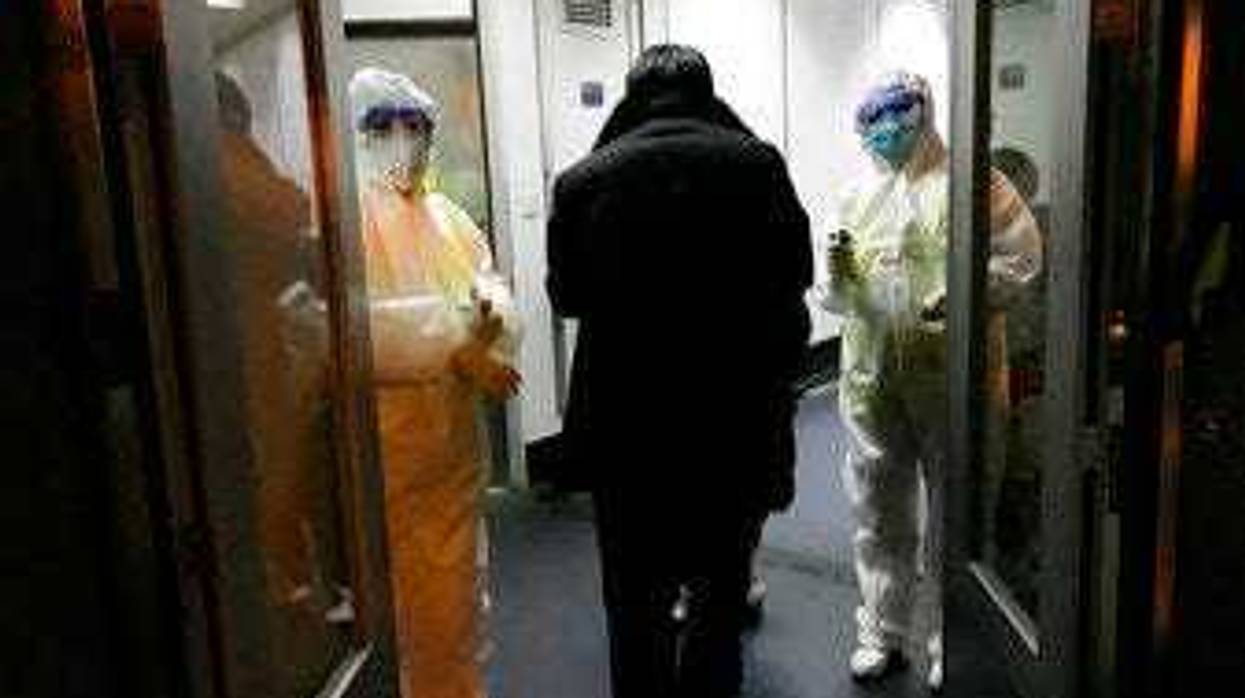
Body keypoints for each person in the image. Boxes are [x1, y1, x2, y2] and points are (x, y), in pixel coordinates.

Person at [547, 45, 812, 698]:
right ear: (708, 91)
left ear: (631, 96)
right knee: (719, 601)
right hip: (733, 422)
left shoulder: (584, 179)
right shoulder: (757, 164)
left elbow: (568, 297)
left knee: (633, 604)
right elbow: (794, 275)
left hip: (626, 431)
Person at [822, 72, 1041, 691]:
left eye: (900, 114)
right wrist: (839, 279)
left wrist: (967, 289)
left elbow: (1023, 259)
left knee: (957, 509)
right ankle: (881, 632)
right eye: (875, 118)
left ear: (925, 114)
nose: (887, 129)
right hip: (872, 375)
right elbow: (840, 297)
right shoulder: (856, 194)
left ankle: (953, 635)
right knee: (876, 505)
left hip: (952, 373)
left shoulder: (977, 185)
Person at [350, 68, 521, 698]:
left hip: (452, 449)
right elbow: (349, 331)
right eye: (388, 126)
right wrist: (458, 344)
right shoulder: (345, 220)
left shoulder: (447, 215)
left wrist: (491, 326)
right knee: (395, 611)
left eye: (418, 125)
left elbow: (491, 286)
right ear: (360, 136)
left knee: (458, 600)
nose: (408, 139)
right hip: (386, 460)